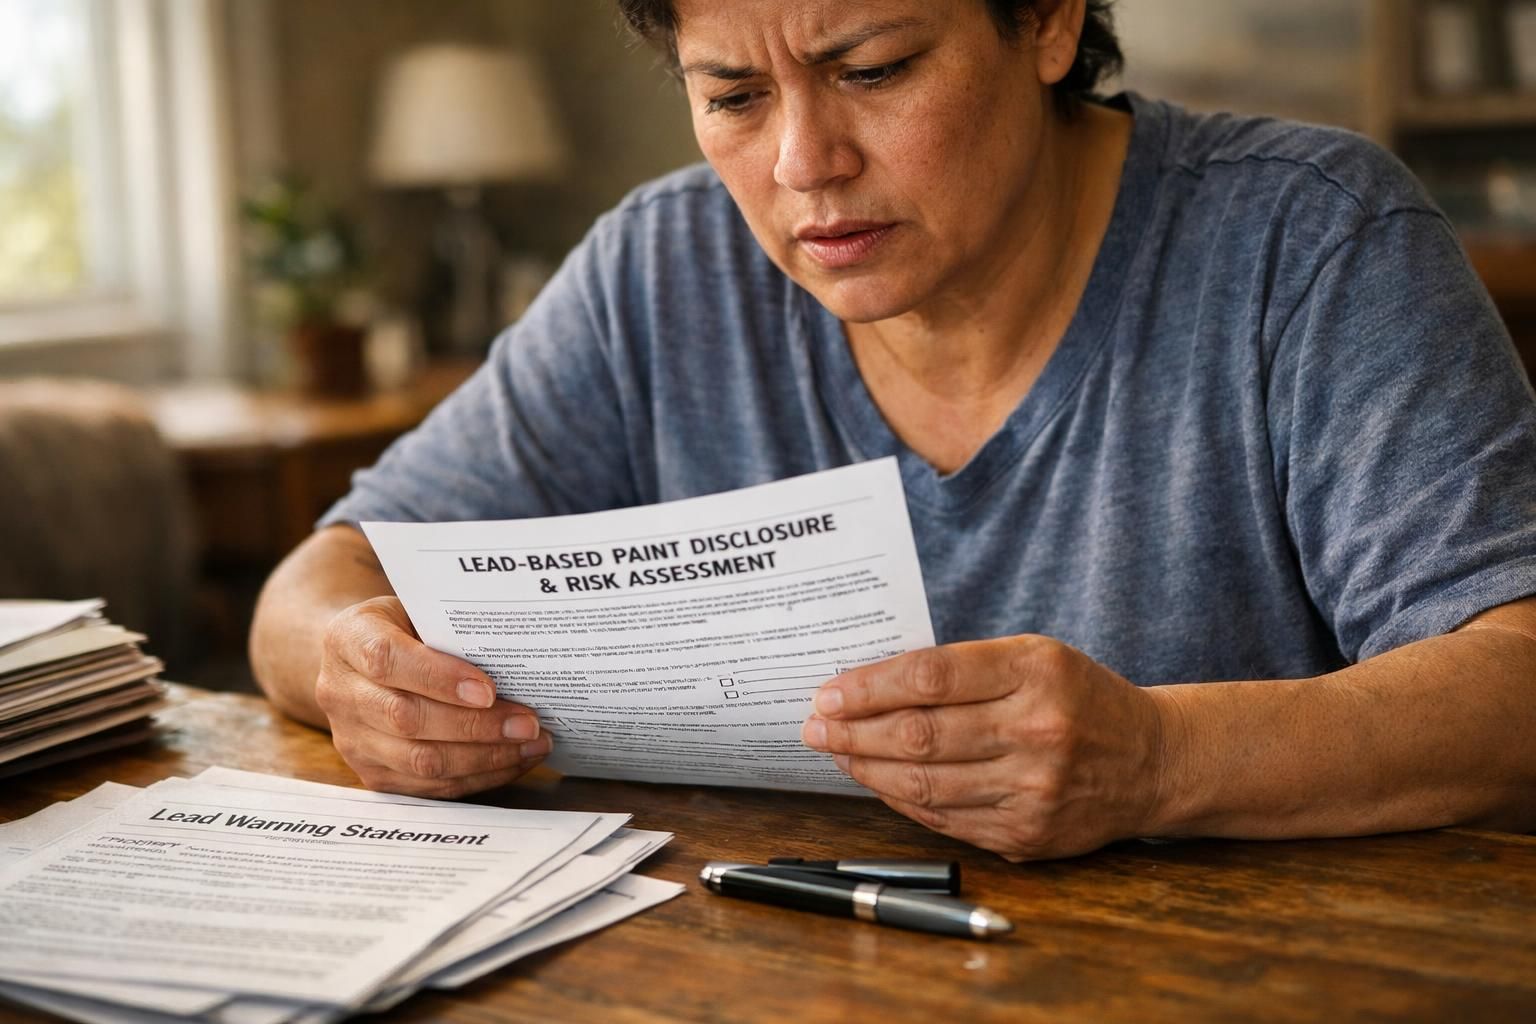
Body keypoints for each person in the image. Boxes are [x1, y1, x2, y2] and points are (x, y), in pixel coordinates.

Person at [250, 0, 1536, 861]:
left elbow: (1513, 677)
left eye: (874, 71)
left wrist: (1159, 760)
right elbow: (315, 584)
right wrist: (356, 670)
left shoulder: (1309, 238)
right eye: (735, 96)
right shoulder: (660, 270)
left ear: (1045, 21)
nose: (807, 161)